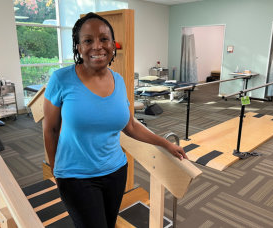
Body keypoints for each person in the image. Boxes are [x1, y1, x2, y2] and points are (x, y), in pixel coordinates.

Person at [43, 12, 187, 228]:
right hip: (75, 176)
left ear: (113, 44)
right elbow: (51, 129)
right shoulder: (61, 79)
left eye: (104, 39)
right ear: (79, 47)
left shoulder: (118, 81)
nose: (97, 46)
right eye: (88, 40)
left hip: (115, 171)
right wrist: (56, 170)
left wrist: (165, 143)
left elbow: (129, 126)